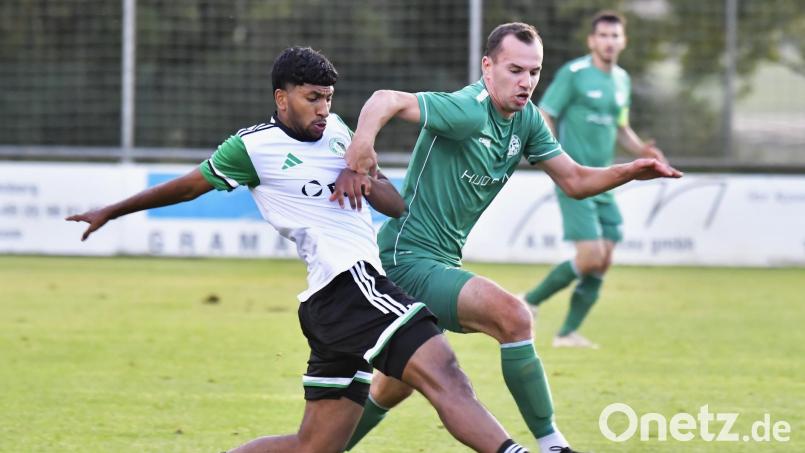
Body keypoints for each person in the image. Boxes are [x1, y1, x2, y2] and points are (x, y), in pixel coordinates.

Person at [66, 47, 531, 453]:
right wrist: (112, 211)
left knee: (315, 447)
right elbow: (188, 186)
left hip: (334, 302)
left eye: (328, 98)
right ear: (281, 97)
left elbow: (395, 205)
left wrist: (362, 174)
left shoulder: (338, 132)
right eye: (312, 98)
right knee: (446, 374)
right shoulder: (252, 148)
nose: (323, 109)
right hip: (349, 285)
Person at [334, 23, 681, 453]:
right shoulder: (467, 109)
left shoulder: (527, 120)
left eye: (534, 72)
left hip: (440, 261)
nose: (526, 82)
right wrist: (362, 144)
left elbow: (574, 180)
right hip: (407, 259)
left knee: (392, 388)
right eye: (515, 70)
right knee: (513, 316)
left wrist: (629, 170)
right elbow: (384, 99)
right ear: (488, 67)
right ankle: (553, 445)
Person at [522, 11, 666, 349]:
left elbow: (620, 127)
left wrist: (643, 151)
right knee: (589, 257)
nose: (609, 41)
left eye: (615, 36)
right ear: (592, 40)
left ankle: (567, 333)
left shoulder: (622, 80)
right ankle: (529, 301)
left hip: (606, 182)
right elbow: (546, 113)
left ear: (623, 41)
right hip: (576, 179)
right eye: (603, 35)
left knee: (604, 258)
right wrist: (554, 158)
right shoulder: (574, 74)